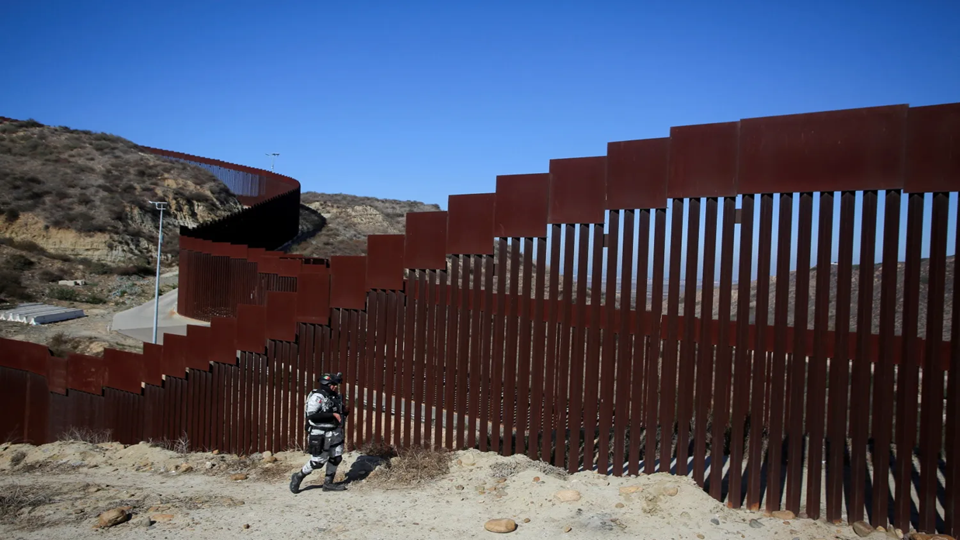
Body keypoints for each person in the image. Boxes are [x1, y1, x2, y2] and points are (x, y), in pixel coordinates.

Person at [290, 372, 350, 494]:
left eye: (336, 384)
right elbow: (311, 415)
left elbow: (340, 411)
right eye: (332, 384)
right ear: (326, 384)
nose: (335, 387)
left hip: (335, 432)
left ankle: (328, 483)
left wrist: (344, 412)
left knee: (336, 458)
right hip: (320, 433)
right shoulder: (317, 397)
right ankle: (299, 476)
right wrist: (332, 415)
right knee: (318, 462)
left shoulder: (335, 396)